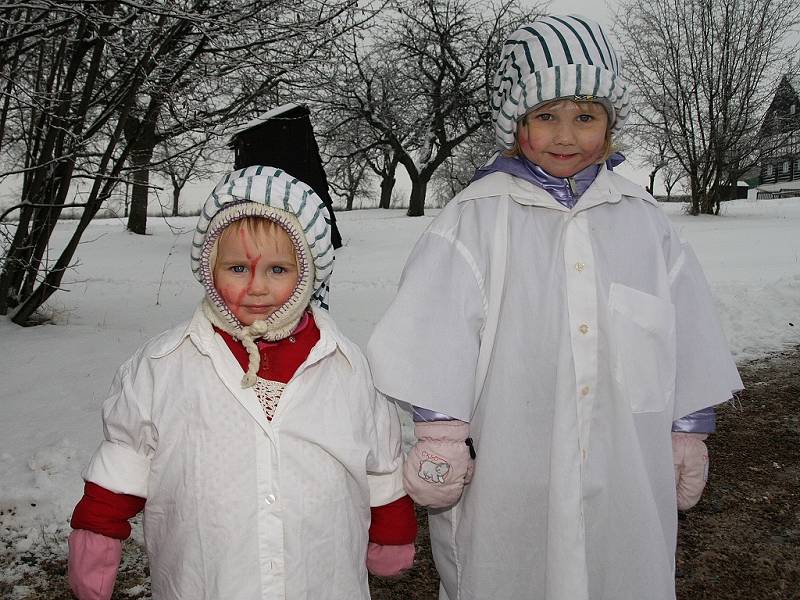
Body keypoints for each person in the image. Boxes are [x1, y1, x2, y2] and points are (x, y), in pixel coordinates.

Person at [366, 15, 742, 600]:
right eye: (547, 116)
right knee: (507, 566)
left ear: (609, 124)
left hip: (623, 464)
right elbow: (433, 327)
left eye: (585, 117)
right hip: (512, 459)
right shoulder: (478, 218)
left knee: (621, 567)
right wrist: (441, 433)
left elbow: (684, 326)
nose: (567, 136)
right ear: (516, 125)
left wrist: (684, 430)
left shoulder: (643, 221)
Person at [67, 166, 417, 600]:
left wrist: (393, 525)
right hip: (207, 578)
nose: (256, 287)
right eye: (236, 267)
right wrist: (97, 535)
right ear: (209, 268)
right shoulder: (163, 366)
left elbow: (380, 456)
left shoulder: (346, 365)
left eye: (277, 269)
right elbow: (125, 459)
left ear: (308, 273)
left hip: (323, 577)